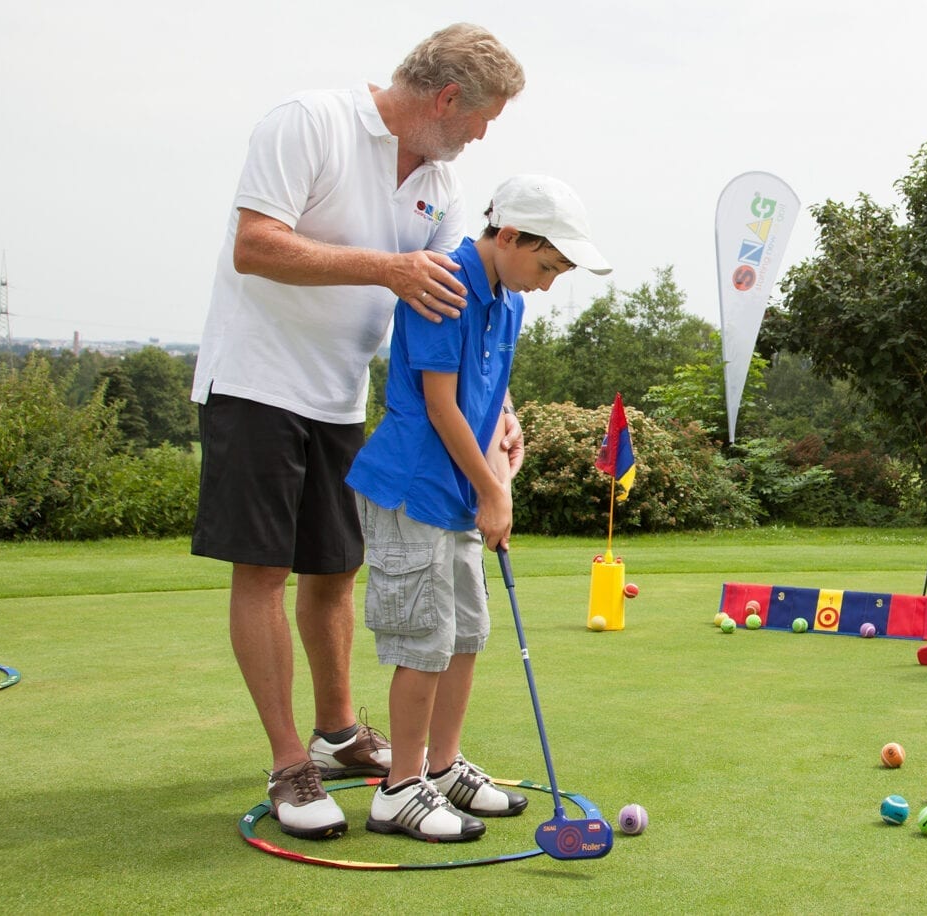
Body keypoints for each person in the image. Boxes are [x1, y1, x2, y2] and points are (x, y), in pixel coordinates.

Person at [189, 24, 525, 840]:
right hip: (255, 381)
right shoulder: (310, 121)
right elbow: (254, 245)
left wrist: (501, 404)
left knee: (334, 571)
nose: (484, 134)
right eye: (484, 117)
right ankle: (287, 763)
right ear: (448, 99)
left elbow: (460, 297)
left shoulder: (440, 182)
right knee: (264, 571)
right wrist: (386, 267)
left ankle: (337, 734)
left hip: (341, 396)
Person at [346, 175, 611, 841]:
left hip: (461, 491)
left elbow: (485, 384)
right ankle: (400, 788)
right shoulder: (447, 282)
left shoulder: (509, 299)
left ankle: (440, 766)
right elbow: (439, 404)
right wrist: (494, 491)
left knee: (467, 633)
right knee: (425, 641)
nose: (547, 284)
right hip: (415, 488)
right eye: (546, 266)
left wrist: (506, 427)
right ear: (511, 235)